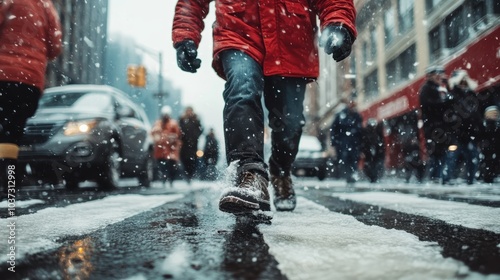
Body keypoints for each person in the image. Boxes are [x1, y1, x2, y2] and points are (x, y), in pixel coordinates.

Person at [172, 0, 357, 214]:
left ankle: (280, 171)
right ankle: (249, 174)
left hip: (290, 42)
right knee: (242, 90)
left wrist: (337, 21)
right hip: (238, 33)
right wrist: (185, 34)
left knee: (290, 124)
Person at [0, 0, 62, 197]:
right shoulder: (46, 6)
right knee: (12, 133)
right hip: (30, 81)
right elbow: (55, 47)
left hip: (3, 74)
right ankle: (8, 183)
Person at [442, 69, 481, 185]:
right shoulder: (452, 96)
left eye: (465, 81)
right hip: (456, 134)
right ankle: (446, 179)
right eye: (461, 81)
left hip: (469, 134)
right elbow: (447, 114)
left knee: (472, 157)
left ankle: (470, 180)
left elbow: (475, 114)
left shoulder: (470, 95)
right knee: (452, 157)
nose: (463, 84)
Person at [419, 65, 452, 183]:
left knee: (442, 152)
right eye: (436, 74)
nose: (439, 76)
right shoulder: (427, 89)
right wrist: (445, 102)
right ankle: (436, 177)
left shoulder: (439, 88)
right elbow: (432, 106)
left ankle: (441, 177)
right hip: (434, 128)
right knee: (436, 153)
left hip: (440, 127)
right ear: (429, 76)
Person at [330, 97, 363, 185]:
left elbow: (360, 131)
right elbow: (334, 129)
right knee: (345, 160)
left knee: (354, 159)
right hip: (343, 143)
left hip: (354, 143)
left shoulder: (357, 116)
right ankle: (348, 176)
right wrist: (334, 142)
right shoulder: (340, 115)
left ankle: (352, 175)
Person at [151, 106, 182, 187]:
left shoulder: (173, 123)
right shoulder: (158, 124)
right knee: (162, 167)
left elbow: (177, 135)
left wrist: (171, 138)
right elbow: (153, 134)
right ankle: (164, 179)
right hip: (161, 151)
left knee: (171, 167)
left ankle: (170, 180)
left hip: (170, 150)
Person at [179, 106, 203, 184]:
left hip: (193, 144)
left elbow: (200, 129)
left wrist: (195, 136)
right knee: (184, 160)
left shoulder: (196, 120)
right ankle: (187, 176)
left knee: (192, 161)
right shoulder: (182, 120)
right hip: (184, 144)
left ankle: (190, 175)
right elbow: (179, 129)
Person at [478, 105, 500, 183]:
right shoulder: (485, 125)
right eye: (493, 114)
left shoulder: (496, 125)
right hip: (488, 147)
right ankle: (487, 176)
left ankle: (490, 176)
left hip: (495, 147)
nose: (495, 115)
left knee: (493, 163)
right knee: (488, 163)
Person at [361, 118, 385, 183]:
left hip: (374, 151)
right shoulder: (367, 132)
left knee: (373, 164)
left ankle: (374, 177)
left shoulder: (376, 131)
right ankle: (373, 177)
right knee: (371, 164)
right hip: (370, 151)